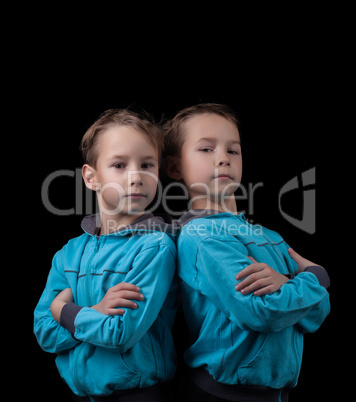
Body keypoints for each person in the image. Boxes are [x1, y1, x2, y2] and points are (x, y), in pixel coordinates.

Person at [164, 103, 330, 402]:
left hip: (276, 393)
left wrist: (291, 289)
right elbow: (262, 312)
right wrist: (315, 277)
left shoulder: (271, 237)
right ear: (175, 167)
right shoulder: (200, 236)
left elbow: (315, 316)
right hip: (224, 395)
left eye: (233, 150)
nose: (223, 159)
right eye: (206, 149)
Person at [34, 109, 178, 402]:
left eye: (147, 164)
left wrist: (66, 312)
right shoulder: (68, 254)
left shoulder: (154, 247)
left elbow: (119, 333)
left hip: (139, 394)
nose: (137, 176)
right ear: (91, 177)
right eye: (119, 165)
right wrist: (95, 312)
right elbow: (44, 333)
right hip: (80, 395)